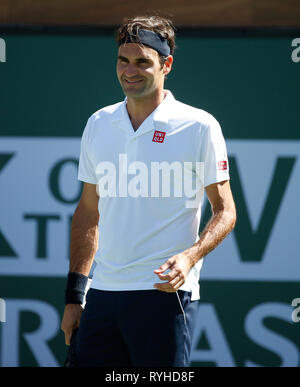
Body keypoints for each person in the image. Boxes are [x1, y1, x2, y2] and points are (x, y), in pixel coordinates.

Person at [61, 15, 236, 367]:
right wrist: (75, 296)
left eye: (143, 62)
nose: (130, 70)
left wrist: (189, 258)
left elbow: (225, 211)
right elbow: (87, 212)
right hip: (103, 296)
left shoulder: (199, 126)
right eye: (123, 60)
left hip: (165, 297)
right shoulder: (98, 123)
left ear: (166, 64)